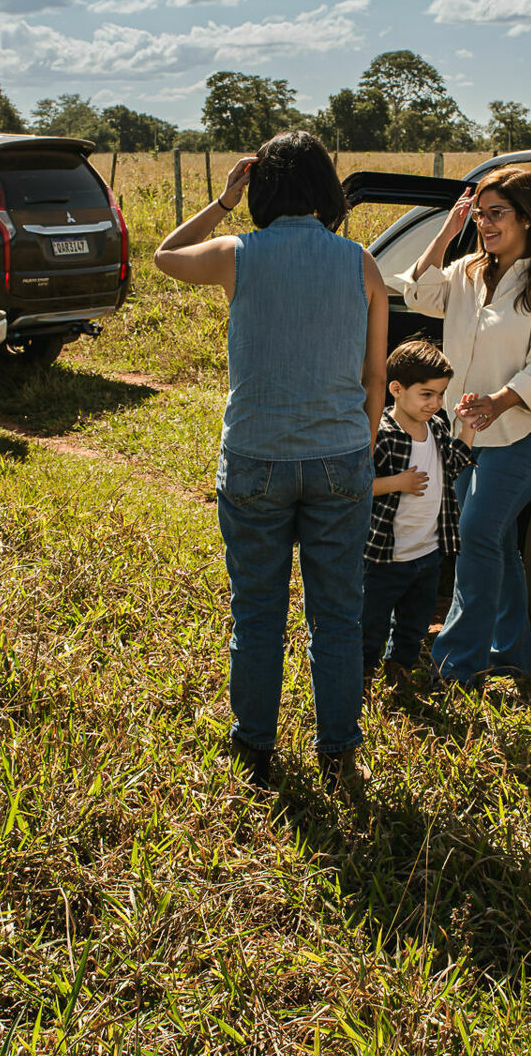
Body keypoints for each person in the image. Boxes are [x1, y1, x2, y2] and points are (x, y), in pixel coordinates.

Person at [153, 130, 390, 795]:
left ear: (261, 187)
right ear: (324, 188)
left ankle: (254, 751)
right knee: (337, 617)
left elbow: (164, 255)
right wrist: (361, 444)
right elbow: (376, 375)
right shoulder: (362, 264)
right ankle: (338, 752)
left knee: (257, 614)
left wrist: (224, 202)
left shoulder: (237, 254)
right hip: (340, 456)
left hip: (256, 458)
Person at [400, 168, 531, 691]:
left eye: (497, 213)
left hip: (523, 434)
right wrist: (447, 233)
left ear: (526, 216)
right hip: (465, 433)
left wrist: (499, 401)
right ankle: (514, 659)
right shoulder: (467, 271)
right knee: (492, 543)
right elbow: (415, 292)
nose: (485, 223)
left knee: (475, 533)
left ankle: (455, 665)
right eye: (480, 214)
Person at [363, 339, 475, 679]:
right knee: (372, 619)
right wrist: (397, 483)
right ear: (396, 389)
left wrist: (467, 428)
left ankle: (401, 666)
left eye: (440, 395)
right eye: (426, 394)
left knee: (415, 620)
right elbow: (357, 487)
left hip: (427, 553)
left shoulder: (437, 427)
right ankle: (363, 671)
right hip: (383, 556)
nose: (436, 403)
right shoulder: (382, 434)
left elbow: (452, 465)